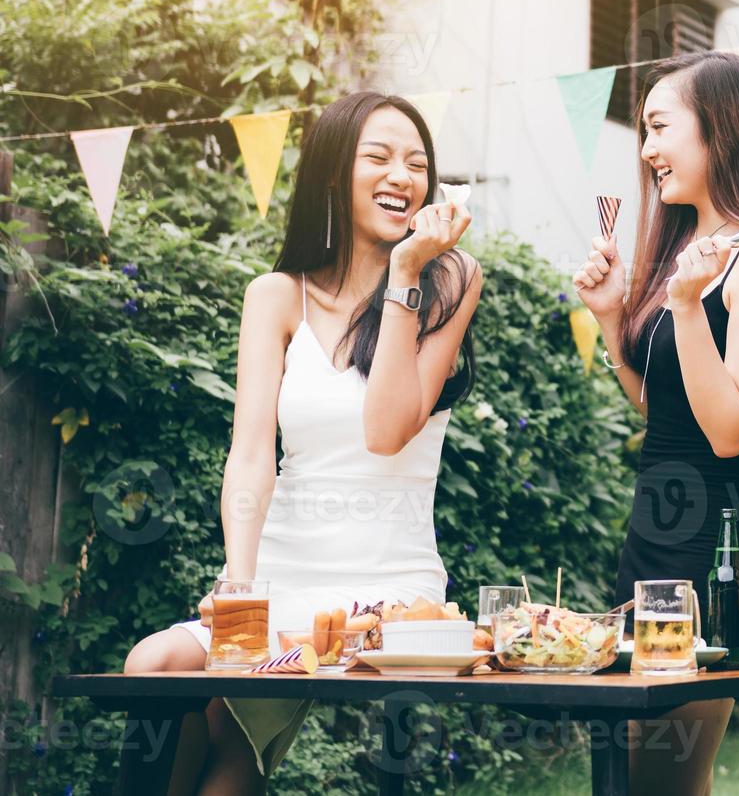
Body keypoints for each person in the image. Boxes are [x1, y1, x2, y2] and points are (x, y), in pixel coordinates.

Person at [123, 92, 481, 794]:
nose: (401, 176)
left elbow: (386, 431)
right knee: (156, 668)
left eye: (416, 163)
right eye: (376, 157)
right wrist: (239, 584)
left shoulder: (452, 279)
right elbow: (252, 451)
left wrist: (407, 274)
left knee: (235, 738)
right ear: (331, 175)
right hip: (283, 572)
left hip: (390, 591)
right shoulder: (276, 295)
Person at [573, 51, 739, 794]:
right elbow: (665, 408)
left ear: (720, 129)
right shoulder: (683, 252)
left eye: (659, 127)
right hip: (654, 524)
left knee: (663, 770)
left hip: (720, 541)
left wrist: (684, 308)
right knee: (640, 767)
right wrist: (617, 314)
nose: (646, 150)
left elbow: (731, 430)